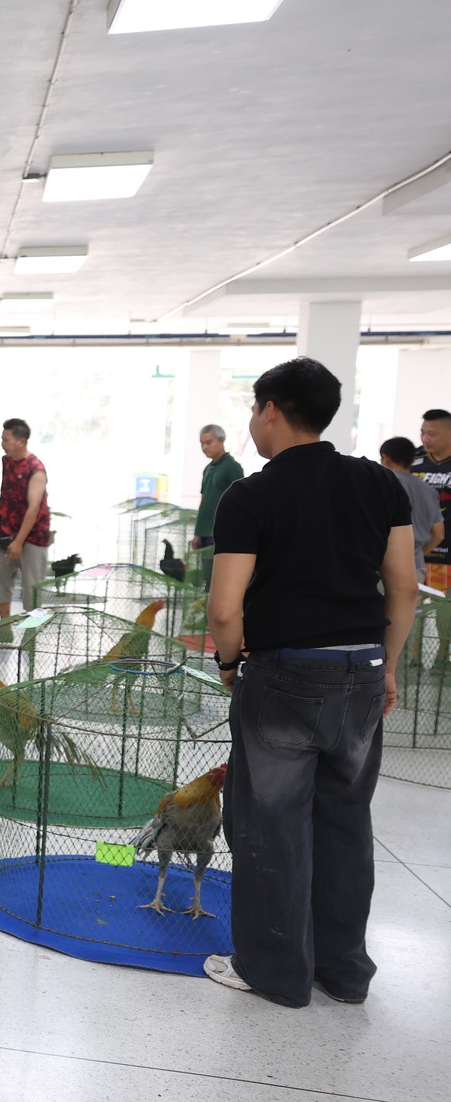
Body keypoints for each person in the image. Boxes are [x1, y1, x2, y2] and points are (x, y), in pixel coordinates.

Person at [204, 358, 415, 1007]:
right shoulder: (379, 483)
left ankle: (275, 972)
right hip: (362, 671)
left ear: (270, 409)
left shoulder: (252, 495)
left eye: (253, 410)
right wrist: (387, 666)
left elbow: (224, 609)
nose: (251, 422)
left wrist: (230, 664)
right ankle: (343, 971)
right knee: (345, 822)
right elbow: (404, 588)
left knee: (271, 825)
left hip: (285, 675)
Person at [0, 418, 50, 618]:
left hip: (33, 536)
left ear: (21, 441)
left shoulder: (35, 468)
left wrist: (19, 542)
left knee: (32, 589)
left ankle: (32, 633)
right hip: (8, 532)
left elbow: (33, 508)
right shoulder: (7, 461)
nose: (3, 444)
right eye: (2, 439)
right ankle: (5, 627)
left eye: (7, 440)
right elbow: (7, 493)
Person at [380, 437, 444, 579]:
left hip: (383, 564)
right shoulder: (429, 490)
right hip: (415, 566)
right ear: (413, 460)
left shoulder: (381, 483)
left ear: (385, 458)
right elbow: (439, 534)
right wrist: (416, 554)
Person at [191, 423, 242, 588]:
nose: (204, 447)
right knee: (207, 578)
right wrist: (197, 533)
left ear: (222, 440)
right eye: (202, 443)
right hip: (204, 534)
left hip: (219, 534)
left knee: (219, 580)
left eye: (209, 442)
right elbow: (204, 501)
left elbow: (241, 501)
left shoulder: (231, 467)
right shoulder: (208, 469)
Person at [414, 408, 451, 589]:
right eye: (422, 433)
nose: (425, 439)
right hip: (415, 556)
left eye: (432, 434)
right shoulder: (411, 459)